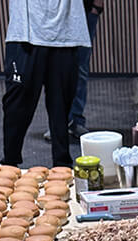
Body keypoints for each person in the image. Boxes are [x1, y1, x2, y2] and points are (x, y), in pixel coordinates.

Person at [2, 0, 89, 169]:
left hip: (66, 32)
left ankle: (62, 167)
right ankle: (9, 166)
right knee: (17, 107)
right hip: (26, 33)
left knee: (61, 109)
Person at [43, 0, 102, 143]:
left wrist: (96, 6)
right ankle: (58, 122)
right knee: (54, 68)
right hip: (53, 12)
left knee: (80, 67)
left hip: (85, 9)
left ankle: (76, 119)